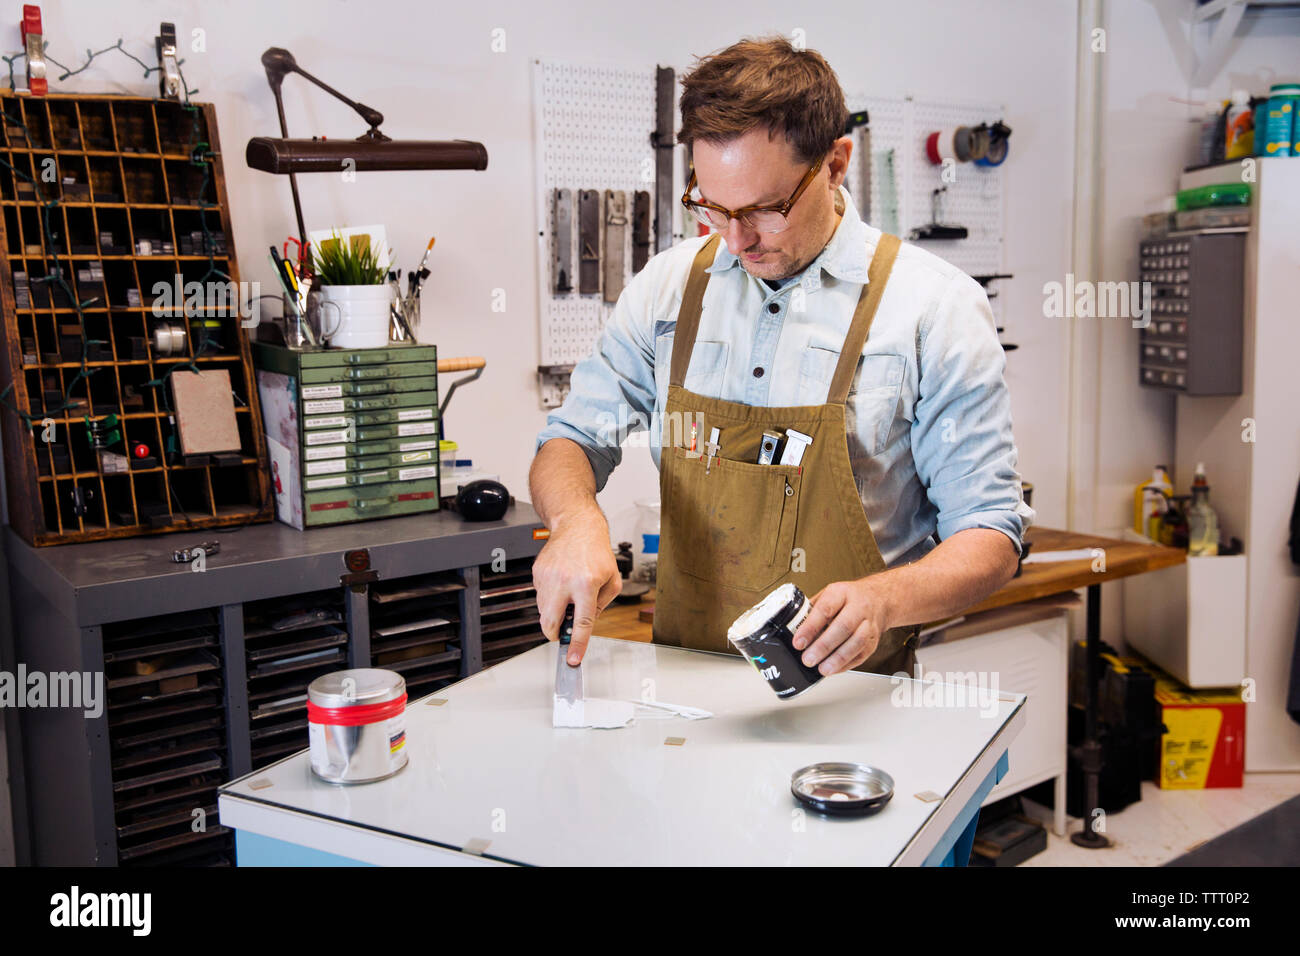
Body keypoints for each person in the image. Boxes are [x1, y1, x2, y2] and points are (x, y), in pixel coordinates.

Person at [530, 36, 1033, 682]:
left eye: (764, 209)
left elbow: (991, 535)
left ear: (835, 162)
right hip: (685, 705)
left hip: (854, 713)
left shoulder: (933, 309)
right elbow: (568, 440)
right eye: (710, 206)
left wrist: (885, 600)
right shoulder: (667, 289)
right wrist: (574, 520)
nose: (735, 239)